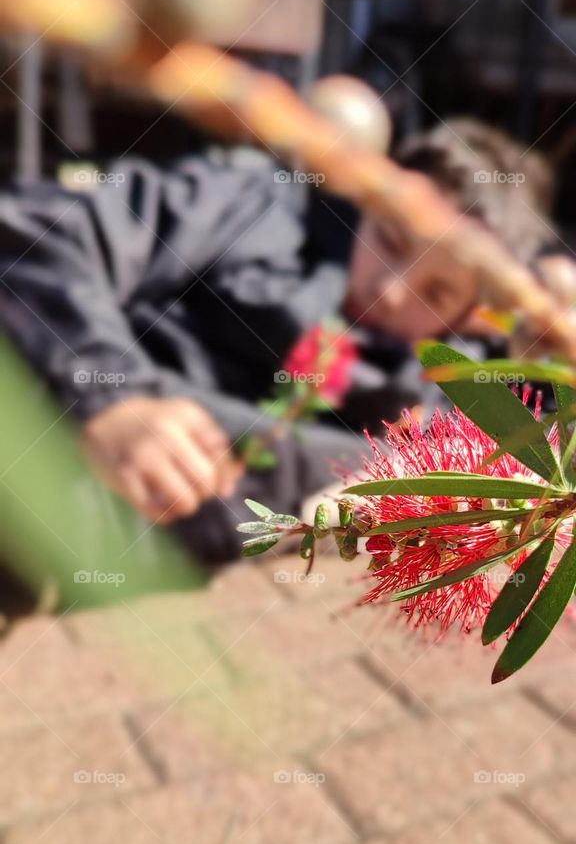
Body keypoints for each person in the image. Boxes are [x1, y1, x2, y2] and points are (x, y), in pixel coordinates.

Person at [0, 118, 560, 568]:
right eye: (390, 240)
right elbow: (45, 237)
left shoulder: (448, 401)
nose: (391, 293)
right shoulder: (256, 207)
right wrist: (114, 398)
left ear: (471, 317)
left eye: (436, 292)